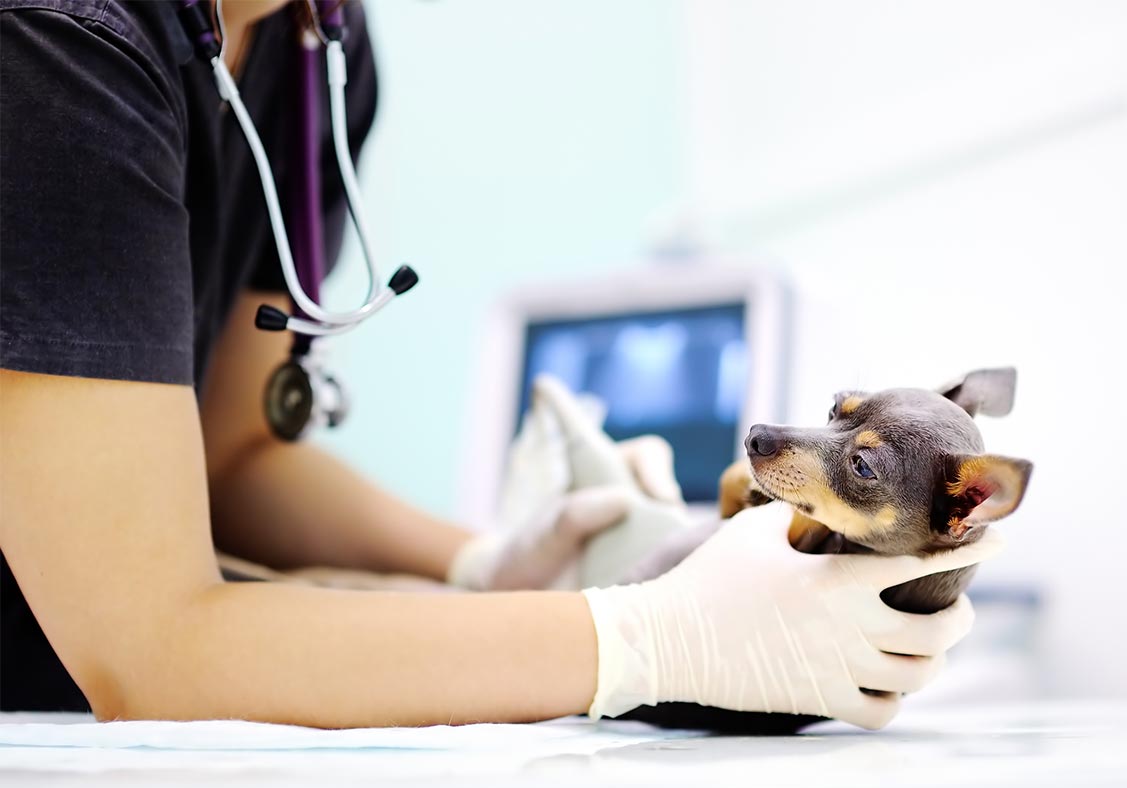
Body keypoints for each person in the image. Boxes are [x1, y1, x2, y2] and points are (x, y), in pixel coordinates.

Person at [0, 0, 1000, 727]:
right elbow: (153, 647)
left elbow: (232, 453)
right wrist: (645, 638)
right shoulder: (53, 50)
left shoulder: (315, 46)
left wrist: (482, 560)